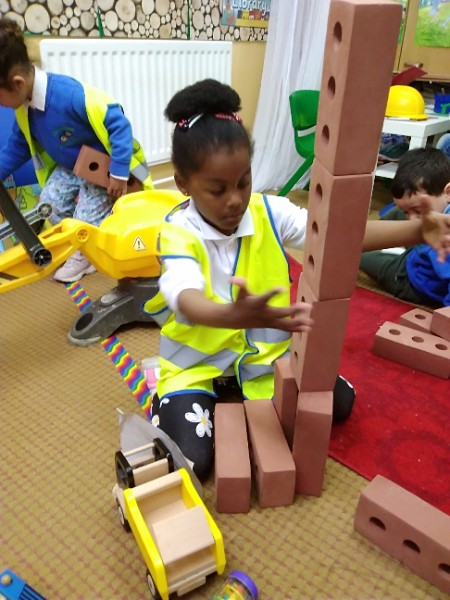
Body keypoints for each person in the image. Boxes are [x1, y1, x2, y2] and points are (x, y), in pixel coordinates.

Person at [145, 79, 450, 479]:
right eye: (217, 190)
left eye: (243, 182)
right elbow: (185, 297)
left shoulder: (270, 211)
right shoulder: (177, 232)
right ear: (183, 184)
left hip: (263, 363)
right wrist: (231, 316)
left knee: (339, 403)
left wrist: (416, 231)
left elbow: (338, 236)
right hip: (196, 366)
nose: (235, 200)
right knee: (193, 462)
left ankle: (236, 393)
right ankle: (174, 397)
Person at [0, 17, 153, 283]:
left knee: (86, 217)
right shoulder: (24, 109)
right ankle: (80, 242)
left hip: (103, 170)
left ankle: (87, 253)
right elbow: (17, 147)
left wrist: (119, 172)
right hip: (71, 168)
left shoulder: (69, 96)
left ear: (18, 83)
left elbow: (119, 125)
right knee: (48, 204)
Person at [360, 147, 450, 307]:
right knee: (398, 212)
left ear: (447, 192)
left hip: (409, 279)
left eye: (417, 211)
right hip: (420, 254)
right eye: (407, 212)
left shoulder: (445, 241)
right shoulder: (437, 203)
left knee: (355, 254)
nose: (411, 219)